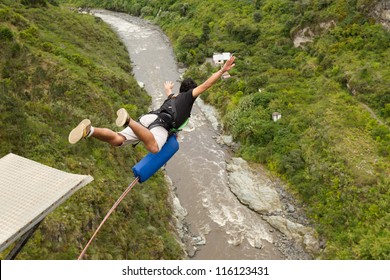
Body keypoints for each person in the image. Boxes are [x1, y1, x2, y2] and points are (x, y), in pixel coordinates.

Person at [68, 55, 236, 153]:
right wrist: (221, 71)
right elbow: (206, 85)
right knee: (154, 148)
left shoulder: (173, 97)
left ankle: (90, 131)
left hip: (149, 118)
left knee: (117, 140)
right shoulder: (189, 97)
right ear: (191, 91)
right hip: (160, 125)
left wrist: (168, 88)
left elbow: (170, 95)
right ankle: (128, 121)